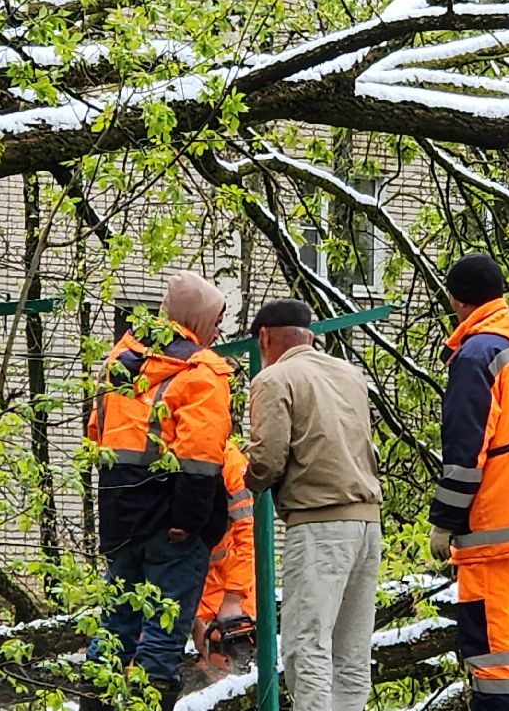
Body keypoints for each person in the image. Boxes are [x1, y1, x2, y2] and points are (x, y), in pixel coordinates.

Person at [86, 271, 235, 711]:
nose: (218, 330)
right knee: (162, 641)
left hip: (121, 519)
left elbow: (97, 433)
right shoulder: (201, 372)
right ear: (198, 317)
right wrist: (189, 522)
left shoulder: (119, 364)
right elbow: (201, 458)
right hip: (173, 528)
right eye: (216, 319)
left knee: (115, 630)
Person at [427, 255, 509, 711]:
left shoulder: (477, 355)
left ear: (456, 300)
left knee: (492, 647)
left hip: (493, 522)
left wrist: (445, 520)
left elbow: (466, 451)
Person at [243, 298, 383, 711]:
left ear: (264, 338)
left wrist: (244, 481)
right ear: (309, 336)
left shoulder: (274, 379)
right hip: (367, 524)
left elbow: (268, 459)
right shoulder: (349, 374)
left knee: (307, 645)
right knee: (351, 653)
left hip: (319, 525)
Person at [192, 439, 256, 677]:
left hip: (227, 574)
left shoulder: (230, 462)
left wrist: (233, 597)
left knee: (236, 636)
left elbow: (247, 533)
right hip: (191, 576)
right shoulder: (165, 450)